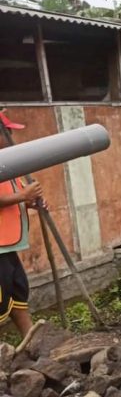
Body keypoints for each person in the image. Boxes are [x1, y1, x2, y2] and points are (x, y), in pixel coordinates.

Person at [0, 116, 44, 338]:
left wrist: (29, 201)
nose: (11, 137)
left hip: (7, 245)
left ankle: (31, 340)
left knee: (17, 290)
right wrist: (22, 195)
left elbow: (12, 196)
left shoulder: (9, 165)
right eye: (7, 132)